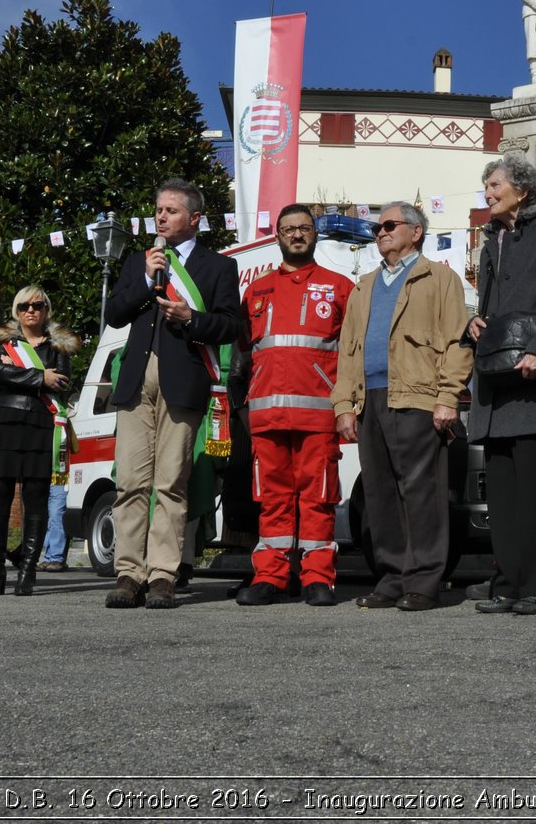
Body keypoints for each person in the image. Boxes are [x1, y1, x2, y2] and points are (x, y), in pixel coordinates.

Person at [103, 177, 241, 610]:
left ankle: (163, 574)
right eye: (159, 209)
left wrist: (191, 317)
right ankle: (129, 573)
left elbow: (232, 327)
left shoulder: (218, 267)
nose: (161, 216)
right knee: (129, 482)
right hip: (136, 381)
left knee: (170, 483)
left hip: (184, 382)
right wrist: (146, 278)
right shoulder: (140, 262)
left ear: (194, 218)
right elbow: (114, 314)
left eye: (171, 210)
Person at [331, 202, 473, 611]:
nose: (380, 232)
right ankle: (391, 578)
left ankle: (424, 581)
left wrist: (447, 398)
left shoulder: (439, 278)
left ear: (416, 232)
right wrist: (344, 404)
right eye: (377, 227)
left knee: (422, 493)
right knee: (379, 494)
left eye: (389, 225)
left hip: (418, 398)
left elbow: (457, 343)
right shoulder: (365, 286)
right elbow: (347, 352)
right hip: (370, 400)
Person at [465, 156, 536, 615]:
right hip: (495, 387)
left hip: (535, 383)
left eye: (494, 185)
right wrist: (477, 323)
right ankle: (508, 582)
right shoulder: (491, 244)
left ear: (523, 190)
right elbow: (492, 308)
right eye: (487, 186)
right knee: (504, 496)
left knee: (535, 494)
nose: (488, 193)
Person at [232, 203, 354, 607]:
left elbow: (350, 353)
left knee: (318, 497)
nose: (297, 234)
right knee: (272, 497)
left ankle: (319, 576)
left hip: (318, 414)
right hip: (265, 416)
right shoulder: (256, 291)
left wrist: (346, 406)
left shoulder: (340, 288)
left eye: (304, 228)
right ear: (279, 236)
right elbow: (241, 357)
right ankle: (270, 575)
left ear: (314, 234)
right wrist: (240, 408)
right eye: (289, 229)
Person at [0, 285, 77, 596]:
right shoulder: (0, 340)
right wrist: (39, 378)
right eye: (24, 306)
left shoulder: (58, 346)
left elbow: (61, 381)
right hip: (2, 424)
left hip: (39, 425)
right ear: (16, 310)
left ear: (46, 310)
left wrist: (19, 375)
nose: (31, 311)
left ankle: (27, 572)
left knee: (36, 501)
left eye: (37, 305)